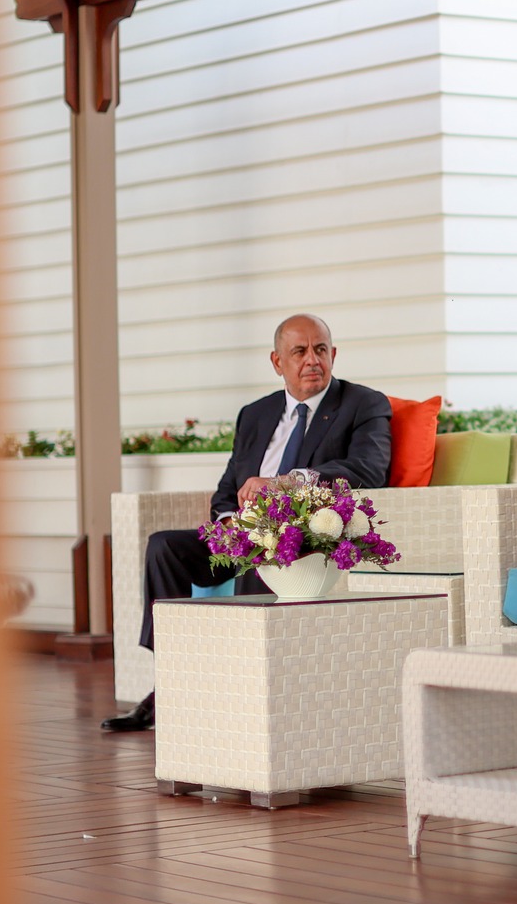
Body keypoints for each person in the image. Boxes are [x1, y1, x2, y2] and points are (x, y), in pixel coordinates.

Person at [100, 313, 392, 732]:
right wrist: (229, 524)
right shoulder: (256, 414)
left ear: (334, 354)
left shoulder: (362, 404)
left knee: (266, 552)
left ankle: (248, 689)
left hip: (304, 537)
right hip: (244, 531)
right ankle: (171, 679)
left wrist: (286, 483)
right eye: (300, 351)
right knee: (165, 547)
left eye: (321, 350)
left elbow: (368, 469)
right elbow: (227, 489)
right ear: (277, 362)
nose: (312, 360)